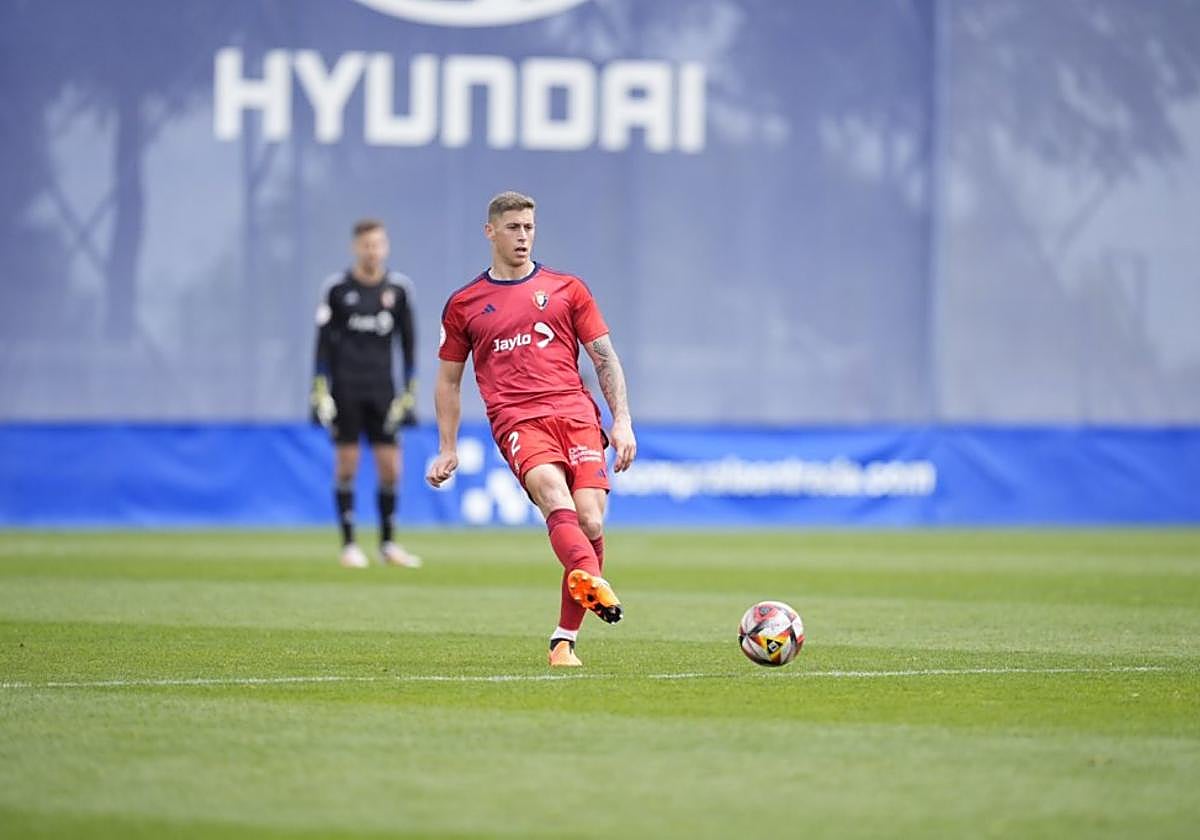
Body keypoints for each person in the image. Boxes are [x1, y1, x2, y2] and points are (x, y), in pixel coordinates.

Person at [426, 191, 637, 667]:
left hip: (576, 414)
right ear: (490, 232)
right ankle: (589, 577)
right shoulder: (464, 304)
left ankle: (563, 641)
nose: (523, 237)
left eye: (529, 228)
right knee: (550, 493)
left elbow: (605, 358)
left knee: (591, 521)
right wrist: (446, 447)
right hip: (518, 419)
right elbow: (448, 379)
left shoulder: (569, 289)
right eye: (513, 228)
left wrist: (621, 421)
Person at [311, 218, 422, 569]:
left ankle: (388, 544)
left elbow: (409, 344)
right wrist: (319, 390)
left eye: (377, 245)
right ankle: (349, 545)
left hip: (383, 391)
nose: (372, 251)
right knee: (347, 465)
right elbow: (322, 347)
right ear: (355, 248)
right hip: (346, 389)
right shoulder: (337, 290)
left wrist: (409, 390)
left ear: (385, 247)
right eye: (366, 245)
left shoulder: (399, 290)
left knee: (391, 468)